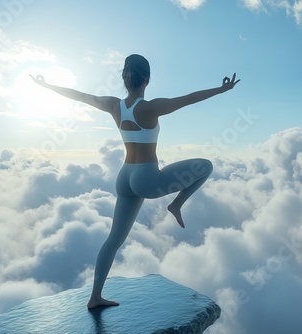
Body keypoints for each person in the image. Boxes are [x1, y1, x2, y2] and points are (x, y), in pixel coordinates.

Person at [30, 54, 240, 309]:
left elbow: (80, 96)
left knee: (113, 240)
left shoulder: (113, 105)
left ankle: (95, 297)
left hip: (125, 176)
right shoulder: (151, 108)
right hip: (147, 177)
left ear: (124, 77)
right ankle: (177, 204)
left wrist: (46, 86)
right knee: (206, 166)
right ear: (147, 79)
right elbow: (189, 99)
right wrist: (222, 89)